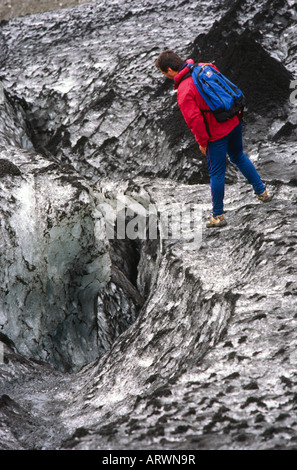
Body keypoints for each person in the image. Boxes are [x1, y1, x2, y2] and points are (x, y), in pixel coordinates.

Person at [155, 50, 272, 228]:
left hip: (216, 134)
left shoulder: (184, 90)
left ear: (170, 69)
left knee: (216, 172)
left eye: (164, 73)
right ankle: (262, 192)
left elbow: (195, 120)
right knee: (238, 156)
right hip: (233, 120)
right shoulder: (205, 67)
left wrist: (203, 142)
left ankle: (217, 216)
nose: (166, 77)